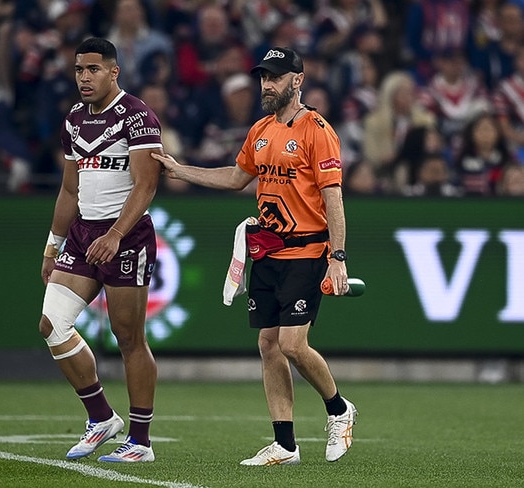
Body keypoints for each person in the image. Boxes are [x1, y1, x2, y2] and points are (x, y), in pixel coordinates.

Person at [152, 47, 358, 466]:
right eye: (263, 77)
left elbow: (333, 197)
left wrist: (338, 257)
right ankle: (285, 445)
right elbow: (236, 177)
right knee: (268, 344)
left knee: (292, 344)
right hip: (266, 250)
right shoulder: (261, 129)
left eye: (276, 77)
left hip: (306, 249)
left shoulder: (317, 129)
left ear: (297, 81)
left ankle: (339, 410)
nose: (266, 84)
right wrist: (180, 169)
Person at [38, 37, 163, 463]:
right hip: (81, 234)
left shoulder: (137, 115)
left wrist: (114, 235)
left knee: (128, 338)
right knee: (52, 324)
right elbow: (70, 188)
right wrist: (52, 245)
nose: (84, 77)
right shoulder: (74, 118)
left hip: (125, 237)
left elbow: (146, 185)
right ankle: (101, 418)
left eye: (93, 69)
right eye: (78, 70)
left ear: (114, 72)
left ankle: (141, 442)